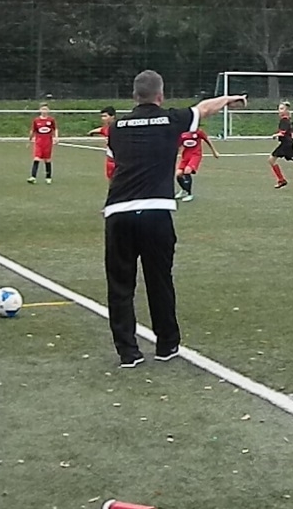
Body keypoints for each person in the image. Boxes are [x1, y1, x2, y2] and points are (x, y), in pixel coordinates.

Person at [103, 70, 246, 368]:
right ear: (161, 95)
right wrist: (228, 98)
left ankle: (128, 353)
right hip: (156, 211)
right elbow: (204, 108)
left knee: (120, 285)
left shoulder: (116, 127)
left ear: (134, 96)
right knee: (160, 280)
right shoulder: (171, 120)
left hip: (119, 211)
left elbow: (116, 163)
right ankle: (167, 345)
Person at [175, 127, 219, 202]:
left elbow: (207, 139)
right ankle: (184, 190)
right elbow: (179, 145)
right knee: (178, 174)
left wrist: (214, 152)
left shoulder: (198, 132)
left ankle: (189, 194)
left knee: (187, 171)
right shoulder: (182, 133)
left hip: (195, 155)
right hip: (185, 156)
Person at [27, 104, 59, 184]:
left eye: (46, 109)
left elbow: (55, 129)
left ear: (48, 111)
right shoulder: (36, 120)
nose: (44, 111)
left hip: (48, 142)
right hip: (39, 142)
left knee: (47, 159)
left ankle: (48, 177)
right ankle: (33, 177)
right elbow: (33, 130)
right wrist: (30, 139)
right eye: (43, 109)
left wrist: (56, 137)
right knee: (36, 158)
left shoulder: (51, 120)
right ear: (40, 110)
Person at [88, 106, 117, 180]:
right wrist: (91, 132)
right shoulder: (106, 128)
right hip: (110, 159)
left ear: (112, 116)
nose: (103, 118)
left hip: (119, 159)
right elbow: (101, 129)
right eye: (102, 116)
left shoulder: (118, 128)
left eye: (105, 116)